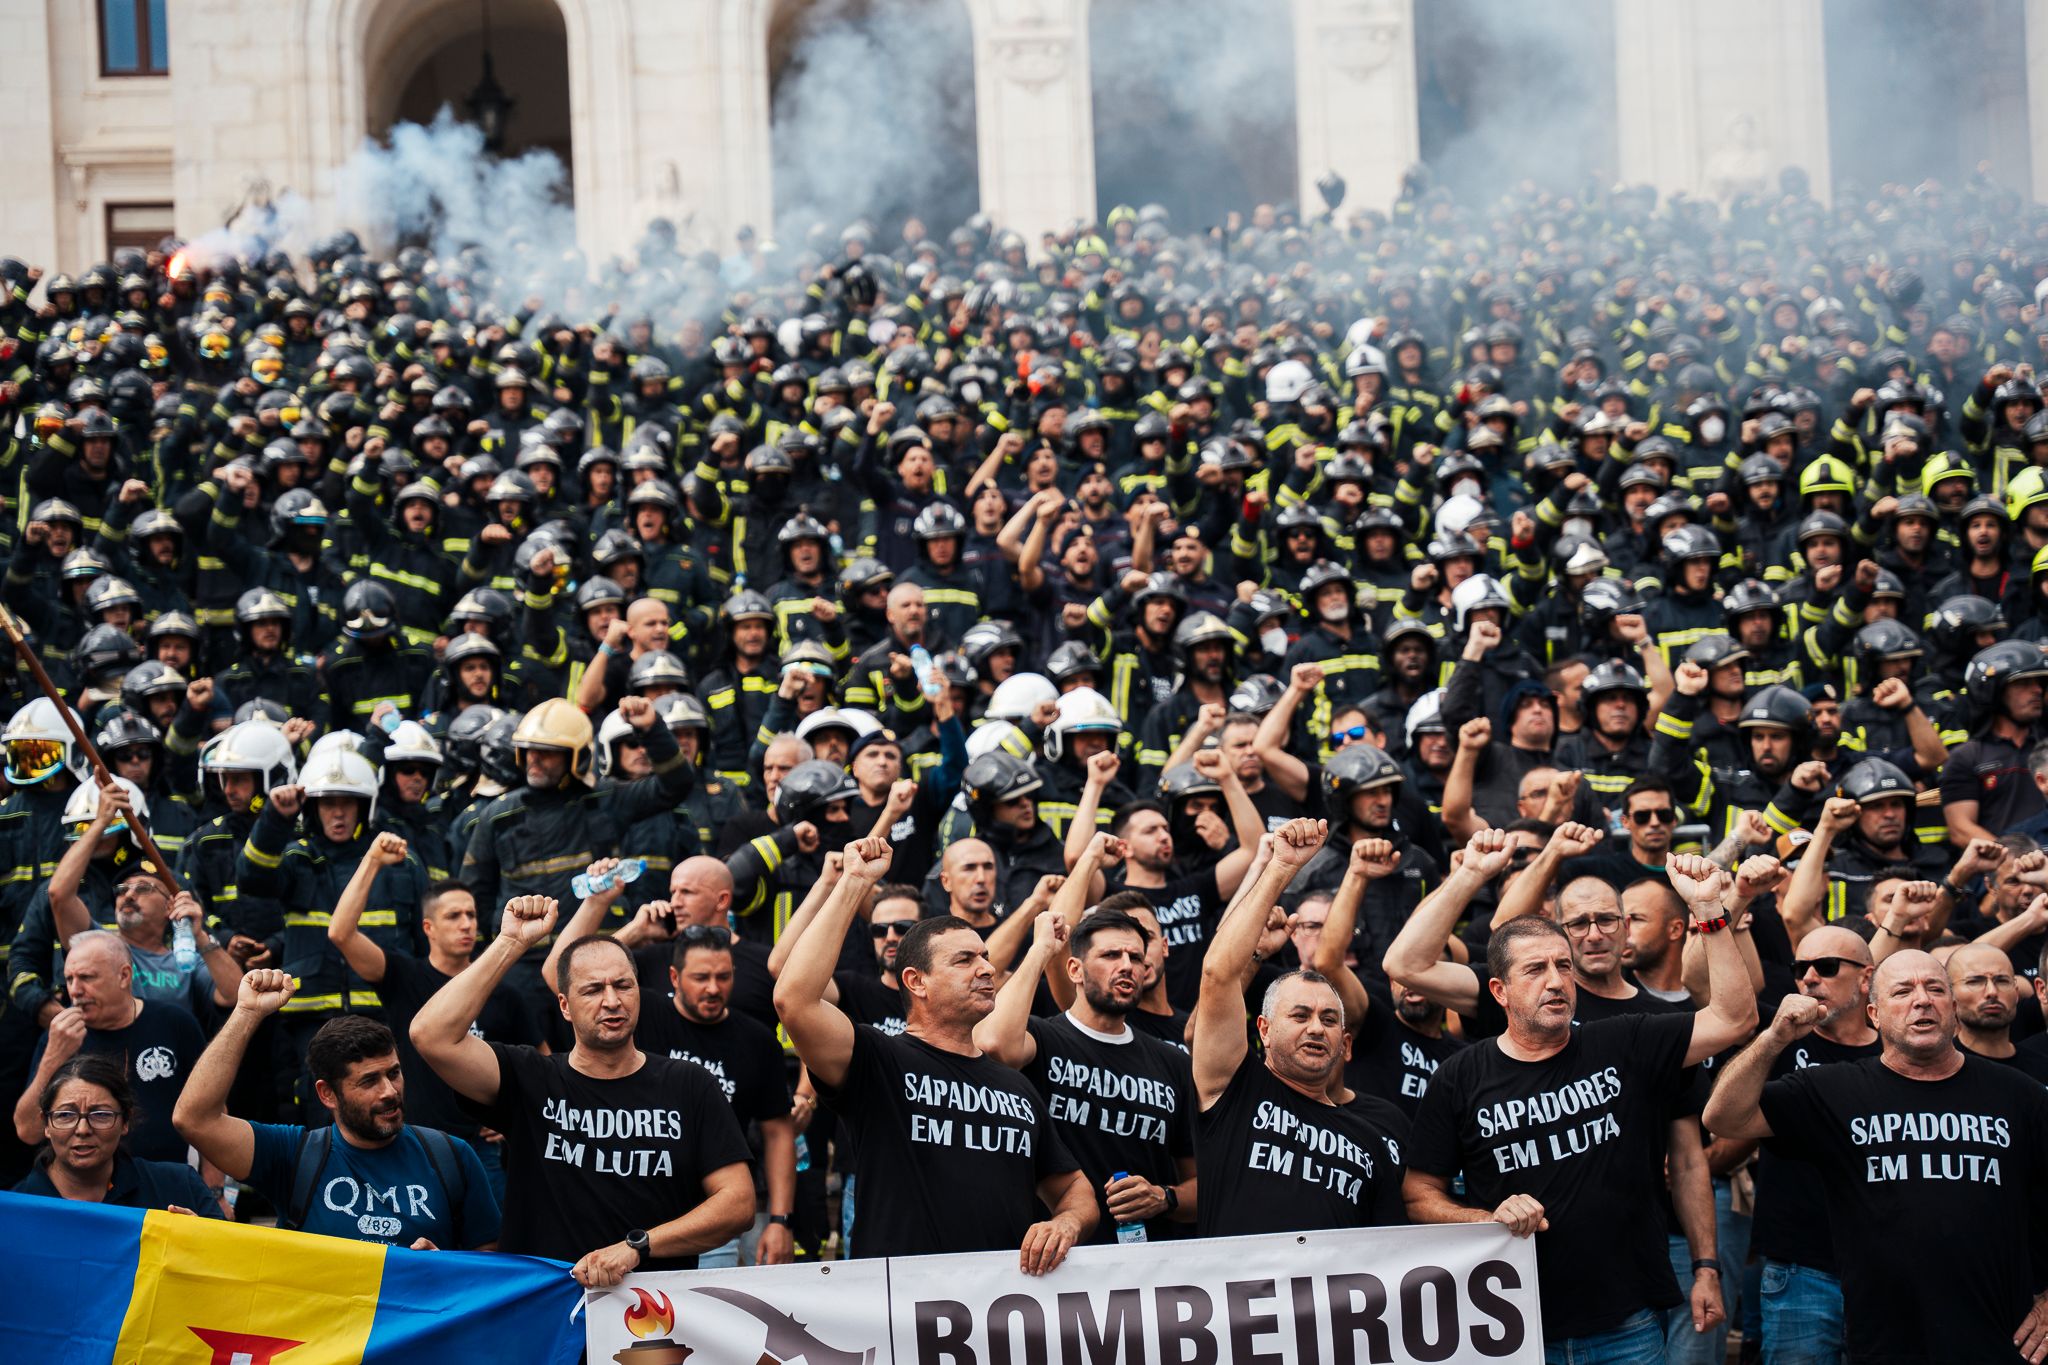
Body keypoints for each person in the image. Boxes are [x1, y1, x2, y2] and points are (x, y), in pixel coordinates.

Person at [1405, 846, 1759, 1362]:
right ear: (1499, 991)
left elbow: (1734, 1018)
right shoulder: (1460, 1077)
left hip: (1627, 1323)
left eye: (1563, 967)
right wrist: (1484, 1217)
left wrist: (1708, 910)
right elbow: (1418, 1195)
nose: (1555, 980)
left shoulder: (1623, 1041)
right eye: (1535, 970)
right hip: (1514, 1327)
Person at [1705, 952, 2048, 1365]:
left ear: (1954, 1011)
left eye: (1935, 989)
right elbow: (1724, 1117)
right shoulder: (1833, 1090)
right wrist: (1772, 1039)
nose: (1922, 1000)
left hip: (2000, 1338)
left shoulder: (2020, 1094)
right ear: (1874, 1015)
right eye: (1903, 992)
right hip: (1883, 1338)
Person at [774, 834, 1095, 1269]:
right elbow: (793, 998)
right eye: (964, 960)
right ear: (916, 982)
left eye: (985, 957)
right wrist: (853, 882)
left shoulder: (1015, 1086)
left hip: (999, 1313)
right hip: (901, 1319)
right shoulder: (877, 1060)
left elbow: (1075, 1190)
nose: (985, 968)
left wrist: (1067, 1223)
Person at [407, 894, 756, 1285]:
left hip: (652, 1318)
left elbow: (738, 1204)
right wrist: (510, 943)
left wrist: (637, 1247)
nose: (611, 1001)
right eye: (592, 990)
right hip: (546, 1312)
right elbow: (430, 1034)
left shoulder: (689, 1084)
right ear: (565, 1005)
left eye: (623, 985)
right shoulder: (529, 1077)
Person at [541, 891, 797, 1268]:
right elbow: (563, 974)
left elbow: (778, 1132)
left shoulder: (757, 1039)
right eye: (700, 977)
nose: (713, 988)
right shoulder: (638, 1010)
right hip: (633, 1205)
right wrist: (634, 929)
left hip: (711, 1214)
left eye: (723, 977)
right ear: (674, 977)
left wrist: (780, 1219)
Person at [172, 968, 499, 1248]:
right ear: (327, 1094)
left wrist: (444, 1267)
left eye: (394, 1073)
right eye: (369, 1081)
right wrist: (246, 1013)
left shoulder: (452, 1156)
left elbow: (493, 1265)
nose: (389, 1091)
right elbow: (194, 1119)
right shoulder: (293, 1155)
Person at [1191, 817, 1406, 1234]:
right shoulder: (1231, 1091)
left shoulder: (1371, 1142)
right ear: (1264, 1031)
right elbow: (1218, 973)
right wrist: (1280, 869)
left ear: (1345, 1044)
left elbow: (1392, 1255)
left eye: (1328, 1019)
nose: (1315, 1028)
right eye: (1299, 1015)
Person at [974, 884, 1198, 1244]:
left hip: (1149, 1266)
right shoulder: (1042, 1039)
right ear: (1075, 970)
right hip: (1050, 1261)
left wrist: (1164, 1197)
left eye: (1136, 958)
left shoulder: (1172, 1063)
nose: (1127, 966)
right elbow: (994, 1044)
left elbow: (1203, 1186)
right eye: (1110, 955)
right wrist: (1041, 950)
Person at [326, 832, 541, 1198]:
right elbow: (341, 932)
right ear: (428, 928)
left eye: (471, 915)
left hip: (485, 1151)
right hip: (416, 1145)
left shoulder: (503, 992)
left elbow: (542, 1067)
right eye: (454, 916)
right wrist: (373, 860)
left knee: (489, 1252)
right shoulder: (403, 977)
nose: (466, 924)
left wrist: (515, 1119)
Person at [11, 931, 204, 1164]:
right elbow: (27, 1131)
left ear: (124, 976)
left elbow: (211, 1110)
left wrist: (215, 1190)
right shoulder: (61, 1037)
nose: (75, 990)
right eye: (69, 979)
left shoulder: (174, 1022)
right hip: (83, 1186)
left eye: (87, 977)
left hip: (163, 1183)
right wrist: (54, 1055)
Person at [13, 1054, 220, 1215]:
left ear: (125, 1121)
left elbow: (229, 1261)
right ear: (46, 1124)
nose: (83, 1129)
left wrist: (198, 1240)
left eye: (101, 1115)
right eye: (66, 1115)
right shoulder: (15, 1209)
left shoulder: (180, 1187)